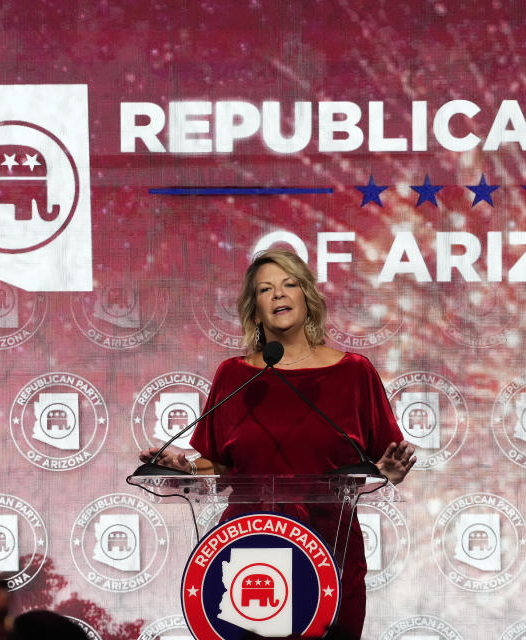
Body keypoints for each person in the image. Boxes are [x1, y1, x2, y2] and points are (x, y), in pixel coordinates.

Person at [140, 248, 416, 639]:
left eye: (289, 285)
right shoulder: (234, 375)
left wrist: (386, 472)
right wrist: (185, 466)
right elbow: (219, 464)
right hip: (250, 554)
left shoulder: (353, 373)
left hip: (330, 555)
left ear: (307, 297)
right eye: (266, 289)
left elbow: (382, 462)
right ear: (255, 311)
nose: (279, 295)